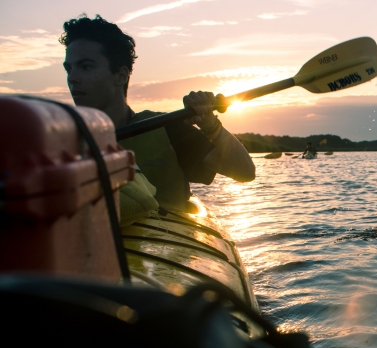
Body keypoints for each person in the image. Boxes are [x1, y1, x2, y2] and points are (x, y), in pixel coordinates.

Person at [60, 14, 255, 214]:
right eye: (69, 69)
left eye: (86, 67)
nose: (72, 78)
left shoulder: (165, 128)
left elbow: (245, 173)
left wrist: (210, 124)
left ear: (120, 76)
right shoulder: (58, 142)